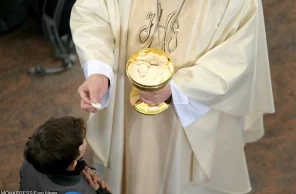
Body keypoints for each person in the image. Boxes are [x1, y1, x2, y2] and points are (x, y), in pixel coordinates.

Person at [70, 0, 275, 194]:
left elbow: (239, 52)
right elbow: (94, 11)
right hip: (125, 99)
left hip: (193, 112)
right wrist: (99, 70)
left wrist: (180, 87)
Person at [20, 116, 111, 194]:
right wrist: (101, 191)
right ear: (72, 164)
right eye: (84, 139)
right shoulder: (83, 190)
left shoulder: (32, 159)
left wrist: (85, 168)